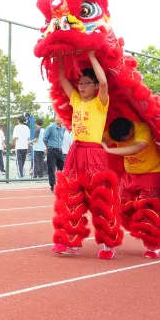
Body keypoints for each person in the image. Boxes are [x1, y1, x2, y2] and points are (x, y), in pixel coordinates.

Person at [51, 51, 122, 259]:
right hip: (75, 152)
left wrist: (91, 55)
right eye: (80, 83)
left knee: (99, 197)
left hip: (94, 153)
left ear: (95, 86)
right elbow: (63, 78)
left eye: (86, 83)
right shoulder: (76, 99)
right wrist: (62, 54)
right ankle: (71, 242)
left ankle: (109, 244)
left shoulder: (101, 102)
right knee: (71, 196)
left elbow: (104, 81)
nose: (81, 87)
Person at [103, 117, 160, 259]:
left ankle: (153, 246)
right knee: (117, 207)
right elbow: (101, 140)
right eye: (120, 140)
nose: (123, 140)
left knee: (150, 211)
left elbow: (136, 148)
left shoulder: (143, 129)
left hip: (153, 174)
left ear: (132, 128)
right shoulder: (115, 130)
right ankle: (109, 243)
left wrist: (109, 150)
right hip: (130, 175)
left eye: (126, 138)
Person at [42, 119, 67, 193]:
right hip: (51, 150)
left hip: (60, 151)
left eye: (61, 117)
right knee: (51, 169)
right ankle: (53, 186)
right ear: (55, 118)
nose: (59, 119)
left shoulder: (63, 128)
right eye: (57, 117)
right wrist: (49, 147)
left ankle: (61, 185)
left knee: (62, 169)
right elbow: (44, 139)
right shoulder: (50, 127)